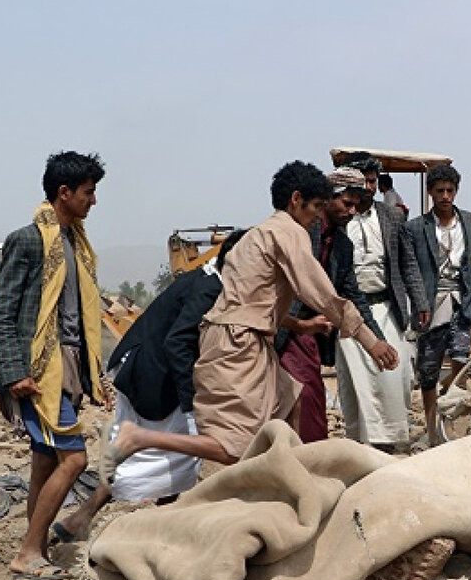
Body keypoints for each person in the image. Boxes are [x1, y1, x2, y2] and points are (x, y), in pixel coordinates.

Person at [102, 161, 395, 477]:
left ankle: (287, 484)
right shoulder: (290, 232)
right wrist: (371, 341)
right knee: (232, 449)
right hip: (239, 345)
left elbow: (258, 303)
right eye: (317, 207)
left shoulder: (259, 235)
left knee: (290, 398)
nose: (317, 216)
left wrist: (300, 325)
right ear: (296, 199)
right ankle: (139, 438)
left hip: (246, 338)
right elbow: (322, 294)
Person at [51, 230, 247, 543]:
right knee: (174, 453)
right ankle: (105, 517)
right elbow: (178, 343)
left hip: (145, 371)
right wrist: (191, 403)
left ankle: (91, 516)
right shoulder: (209, 291)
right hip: (156, 379)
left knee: (158, 455)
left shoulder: (203, 280)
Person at [0, 151, 105, 580]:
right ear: (65, 193)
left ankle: (33, 544)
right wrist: (15, 371)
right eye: (89, 192)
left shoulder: (75, 243)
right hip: (39, 372)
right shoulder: (27, 240)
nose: (93, 201)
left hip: (68, 366)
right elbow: (3, 312)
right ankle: (27, 553)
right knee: (73, 460)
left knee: (44, 460)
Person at [276, 167, 400, 442]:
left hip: (308, 336)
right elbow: (317, 293)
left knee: (309, 401)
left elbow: (351, 295)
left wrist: (377, 342)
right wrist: (371, 342)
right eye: (347, 203)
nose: (352, 211)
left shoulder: (342, 245)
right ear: (327, 199)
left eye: (356, 205)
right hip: (280, 328)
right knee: (296, 400)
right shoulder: (299, 235)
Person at [335, 154, 429, 450]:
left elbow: (408, 262)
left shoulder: (391, 216)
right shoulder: (337, 220)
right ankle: (361, 444)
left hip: (388, 309)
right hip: (348, 314)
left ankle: (390, 443)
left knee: (395, 375)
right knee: (357, 383)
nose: (369, 188)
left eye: (373, 182)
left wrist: (421, 301)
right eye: (365, 181)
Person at [404, 164, 471, 445]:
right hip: (431, 305)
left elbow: (470, 263)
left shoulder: (469, 221)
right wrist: (418, 303)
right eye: (440, 191)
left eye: (450, 191)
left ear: (456, 191)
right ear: (430, 193)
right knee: (429, 370)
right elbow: (411, 269)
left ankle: (450, 418)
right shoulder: (415, 228)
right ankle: (432, 430)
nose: (445, 196)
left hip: (462, 300)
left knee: (461, 360)